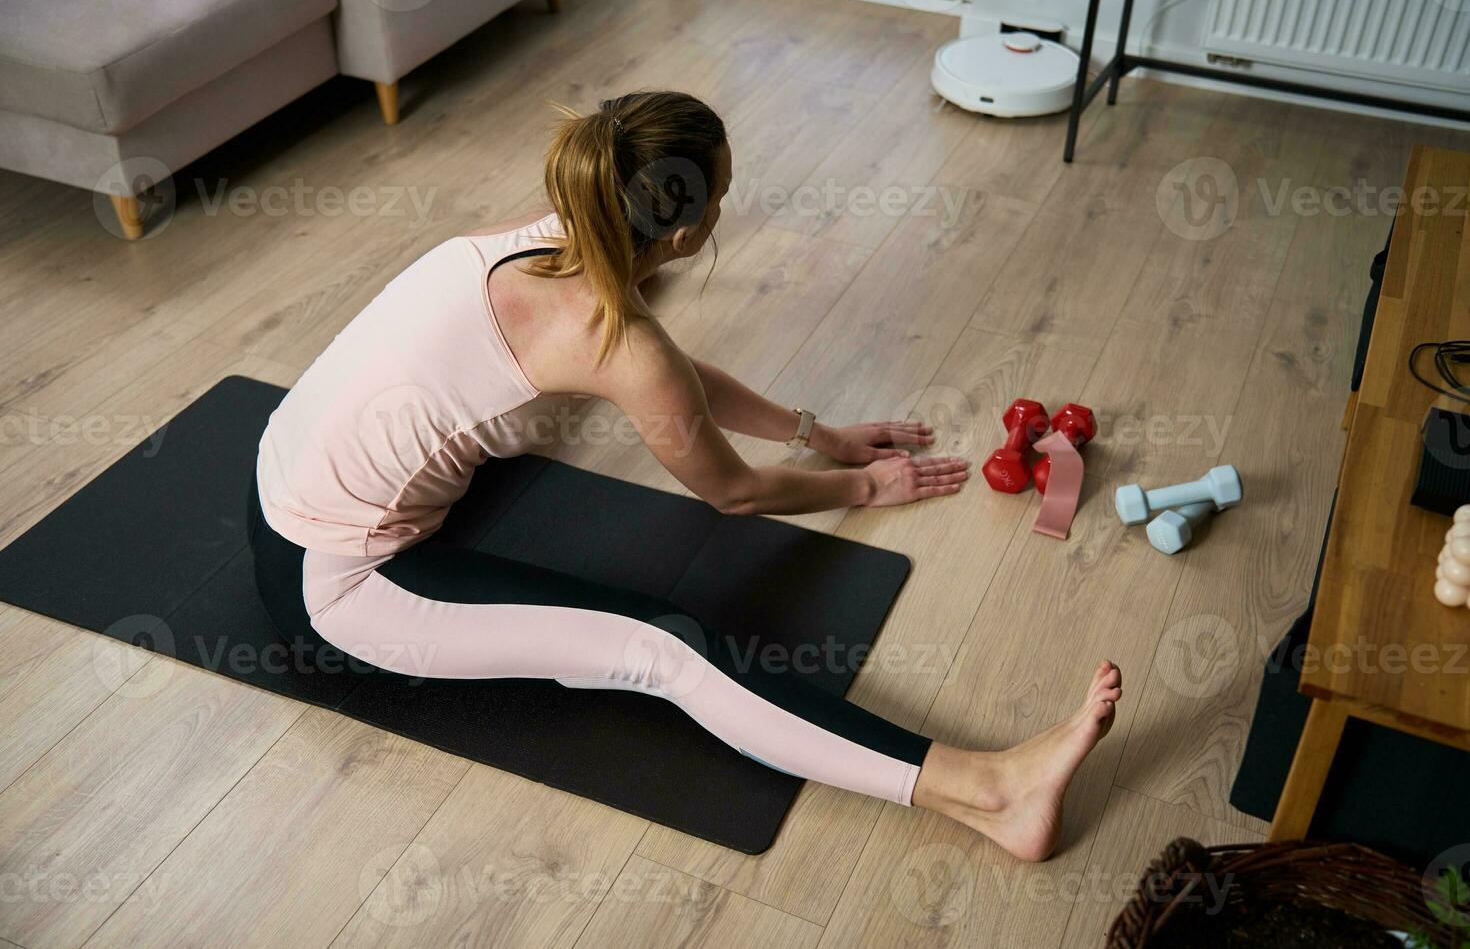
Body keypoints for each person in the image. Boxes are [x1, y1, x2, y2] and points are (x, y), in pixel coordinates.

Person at [248, 90, 1122, 862]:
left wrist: (818, 433)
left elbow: (668, 372)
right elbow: (733, 491)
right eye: (723, 196)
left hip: (277, 477)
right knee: (665, 649)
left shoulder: (535, 237)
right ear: (683, 231)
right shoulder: (615, 339)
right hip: (336, 585)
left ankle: (988, 789)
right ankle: (988, 793)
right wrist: (864, 487)